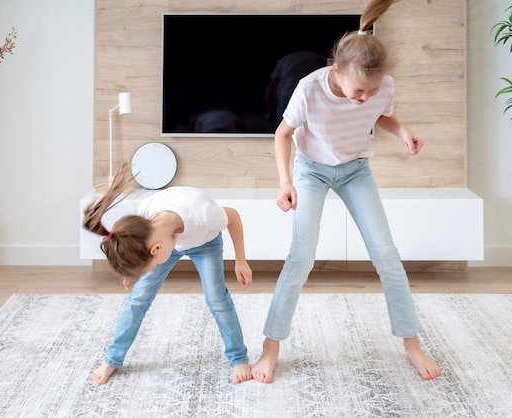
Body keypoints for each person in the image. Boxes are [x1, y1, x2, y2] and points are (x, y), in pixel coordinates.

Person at [251, 0, 441, 384]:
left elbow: (381, 113)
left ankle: (412, 344)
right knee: (301, 257)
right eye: (357, 91)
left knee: (386, 254)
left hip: (355, 170)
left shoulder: (380, 86)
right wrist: (285, 181)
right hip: (311, 171)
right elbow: (283, 134)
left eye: (370, 92)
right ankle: (270, 348)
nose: (363, 99)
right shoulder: (309, 89)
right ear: (336, 71)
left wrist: (402, 130)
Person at [83, 162, 254, 385]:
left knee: (217, 299)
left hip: (204, 240)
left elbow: (233, 217)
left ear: (155, 250)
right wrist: (131, 268)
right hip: (170, 240)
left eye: (148, 266)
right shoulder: (144, 216)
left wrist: (240, 260)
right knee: (138, 298)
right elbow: (129, 244)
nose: (148, 271)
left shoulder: (203, 215)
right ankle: (112, 359)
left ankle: (238, 358)